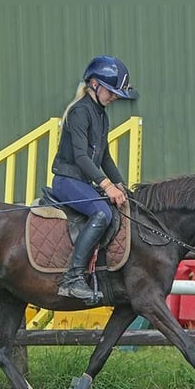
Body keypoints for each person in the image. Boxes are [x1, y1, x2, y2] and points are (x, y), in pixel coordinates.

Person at [51, 55, 139, 303]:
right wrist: (106, 185)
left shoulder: (101, 114)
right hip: (67, 181)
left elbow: (105, 156)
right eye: (111, 92)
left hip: (82, 182)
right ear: (94, 84)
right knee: (103, 213)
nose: (114, 97)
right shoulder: (80, 112)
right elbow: (81, 156)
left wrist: (121, 185)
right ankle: (73, 278)